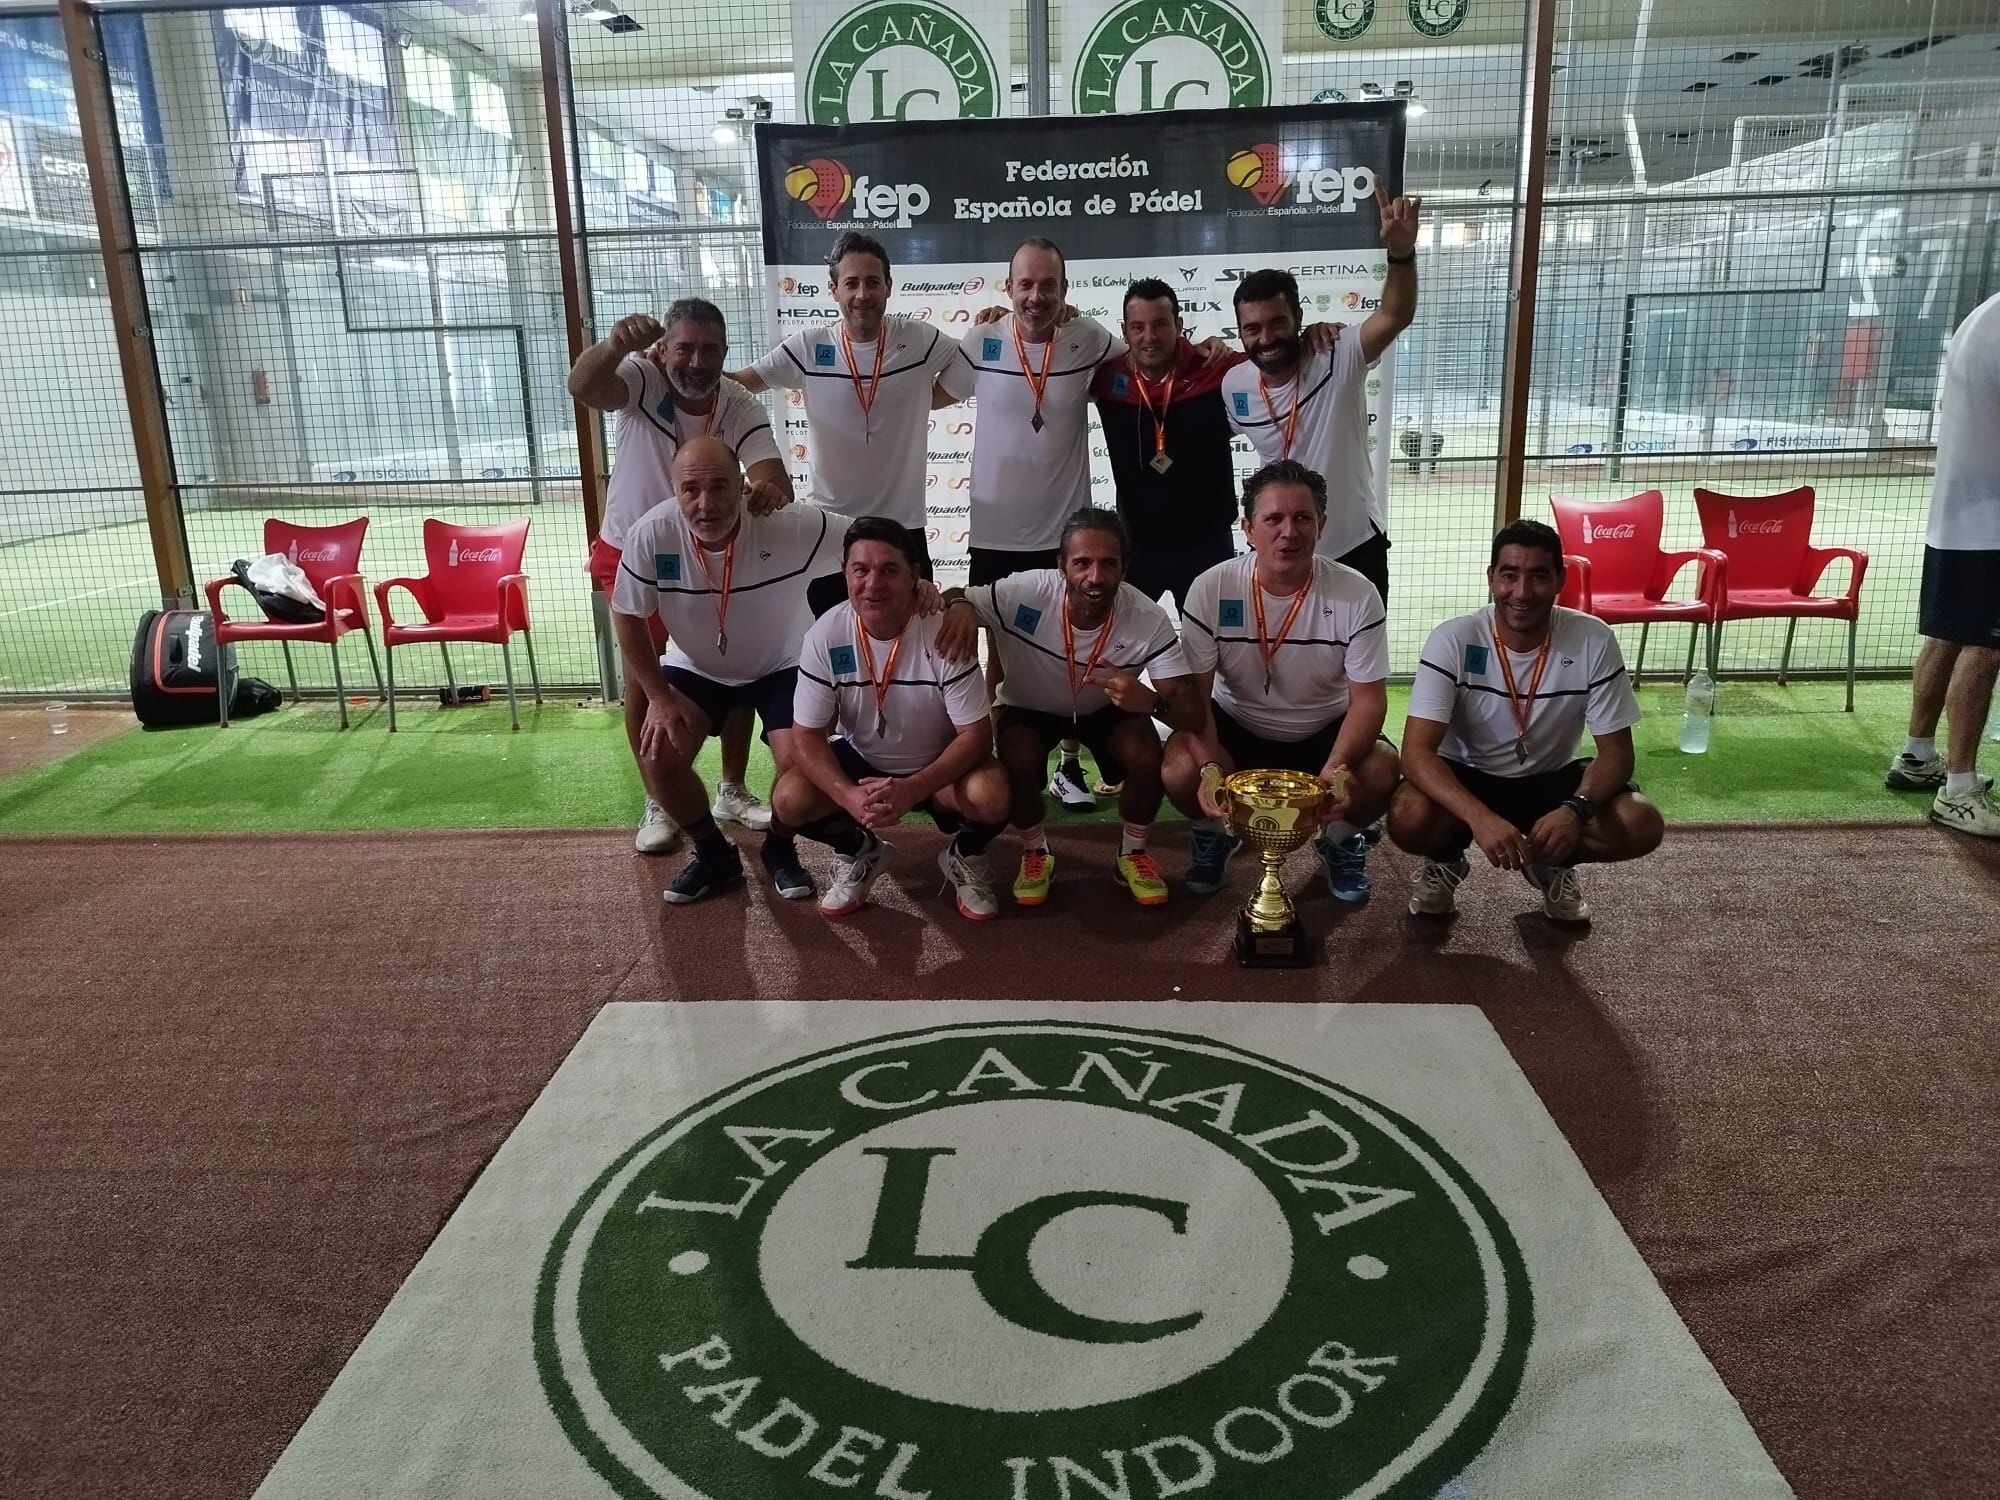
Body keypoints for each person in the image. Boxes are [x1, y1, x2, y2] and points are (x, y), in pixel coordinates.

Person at [569, 299, 792, 849]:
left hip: (711, 549)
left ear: (724, 353)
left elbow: (773, 475)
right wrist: (615, 345)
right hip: (632, 550)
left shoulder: (737, 401)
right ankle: (659, 797)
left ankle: (732, 789)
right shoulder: (643, 378)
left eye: (709, 349)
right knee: (648, 678)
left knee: (736, 663)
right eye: (685, 347)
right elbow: (584, 387)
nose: (696, 360)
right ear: (664, 350)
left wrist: (767, 490)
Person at [1389, 520, 1664, 922]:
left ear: (1559, 580)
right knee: (1407, 814)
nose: (1521, 592)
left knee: (1640, 822)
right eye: (1509, 575)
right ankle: (1445, 859)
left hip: (1550, 781)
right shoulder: (1453, 638)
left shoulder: (1593, 639)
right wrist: (1479, 817)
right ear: (1491, 578)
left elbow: (1617, 754)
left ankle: (1554, 860)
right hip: (1468, 776)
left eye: (1538, 576)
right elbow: (1415, 754)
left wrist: (1575, 809)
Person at [939, 238, 1127, 815]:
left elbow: (1151, 361)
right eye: (1026, 284)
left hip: (1065, 536)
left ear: (1065, 291)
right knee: (1000, 651)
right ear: (1009, 288)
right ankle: (1005, 762)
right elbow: (925, 396)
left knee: (1074, 649)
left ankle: (1068, 766)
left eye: (1048, 285)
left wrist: (1214, 348)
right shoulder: (982, 341)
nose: (1036, 296)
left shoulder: (1090, 338)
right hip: (996, 531)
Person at [608, 437, 835, 906]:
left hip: (783, 664)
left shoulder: (789, 523)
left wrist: (921, 583)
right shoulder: (651, 533)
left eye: (719, 488)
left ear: (744, 486)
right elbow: (627, 615)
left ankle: (779, 847)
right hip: (697, 666)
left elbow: (866, 539)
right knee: (658, 758)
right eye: (690, 490)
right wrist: (660, 697)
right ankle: (715, 855)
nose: (705, 504)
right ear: (674, 490)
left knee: (801, 764)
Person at [1160, 459, 1400, 901]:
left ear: (1321, 525)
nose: (1288, 531)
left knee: (1382, 768)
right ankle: (1216, 832)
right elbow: (1195, 695)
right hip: (1237, 726)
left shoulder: (1357, 593)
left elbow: (1368, 701)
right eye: (1273, 518)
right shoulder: (1211, 589)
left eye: (1302, 517)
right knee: (1179, 767)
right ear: (1248, 528)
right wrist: (1211, 767)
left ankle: (1342, 840)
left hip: (1324, 732)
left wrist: (1335, 769)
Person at [934, 507, 1197, 908]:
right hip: (1030, 707)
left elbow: (1189, 712)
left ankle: (1133, 852)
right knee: (1016, 753)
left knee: (1145, 752)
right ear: (1061, 566)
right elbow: (956, 595)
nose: (1095, 577)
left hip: (1104, 708)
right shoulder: (1023, 592)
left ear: (1125, 568)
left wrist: (1150, 701)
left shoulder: (1147, 617)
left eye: (1108, 564)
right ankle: (1036, 852)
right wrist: (962, 608)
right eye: (1082, 563)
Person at [775, 518, 1012, 921]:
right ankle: (860, 850)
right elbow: (807, 736)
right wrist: (849, 797)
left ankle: (964, 856)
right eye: (860, 570)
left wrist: (911, 787)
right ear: (845, 574)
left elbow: (975, 734)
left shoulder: (945, 631)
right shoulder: (825, 634)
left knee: (992, 793)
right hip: (862, 760)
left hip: (938, 764)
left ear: (914, 576)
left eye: (889, 570)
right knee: (788, 798)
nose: (873, 584)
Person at [732, 231, 961, 613]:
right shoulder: (808, 346)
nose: (862, 294)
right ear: (833, 289)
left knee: (909, 647)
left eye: (873, 282)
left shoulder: (919, 339)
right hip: (830, 531)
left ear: (888, 286)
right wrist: (677, 366)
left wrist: (1001, 323)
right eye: (851, 283)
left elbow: (975, 366)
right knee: (831, 646)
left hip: (903, 530)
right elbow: (741, 385)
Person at [1220, 183, 1421, 602]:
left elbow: (1394, 314)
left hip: (1353, 547)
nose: (1266, 338)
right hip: (1280, 552)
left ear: (1299, 318)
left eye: (1277, 323)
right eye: (1252, 329)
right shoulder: (1235, 384)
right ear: (1239, 333)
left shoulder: (1338, 352)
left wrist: (1400, 253)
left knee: (1358, 667)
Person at [1090, 279, 1339, 612]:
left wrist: (1310, 336)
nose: (1149, 337)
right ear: (1124, 330)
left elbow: (1276, 359)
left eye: (1161, 324)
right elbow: (1056, 353)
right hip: (1137, 547)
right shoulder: (1106, 377)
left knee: (1213, 652)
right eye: (1138, 327)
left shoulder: (1219, 368)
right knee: (1116, 647)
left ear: (1179, 325)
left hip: (1206, 547)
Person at [1886, 291, 2000, 838]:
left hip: (1956, 516)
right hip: (1992, 519)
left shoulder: (1983, 314)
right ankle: (1958, 789)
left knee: (1948, 636)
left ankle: (1917, 755)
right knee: (1987, 647)